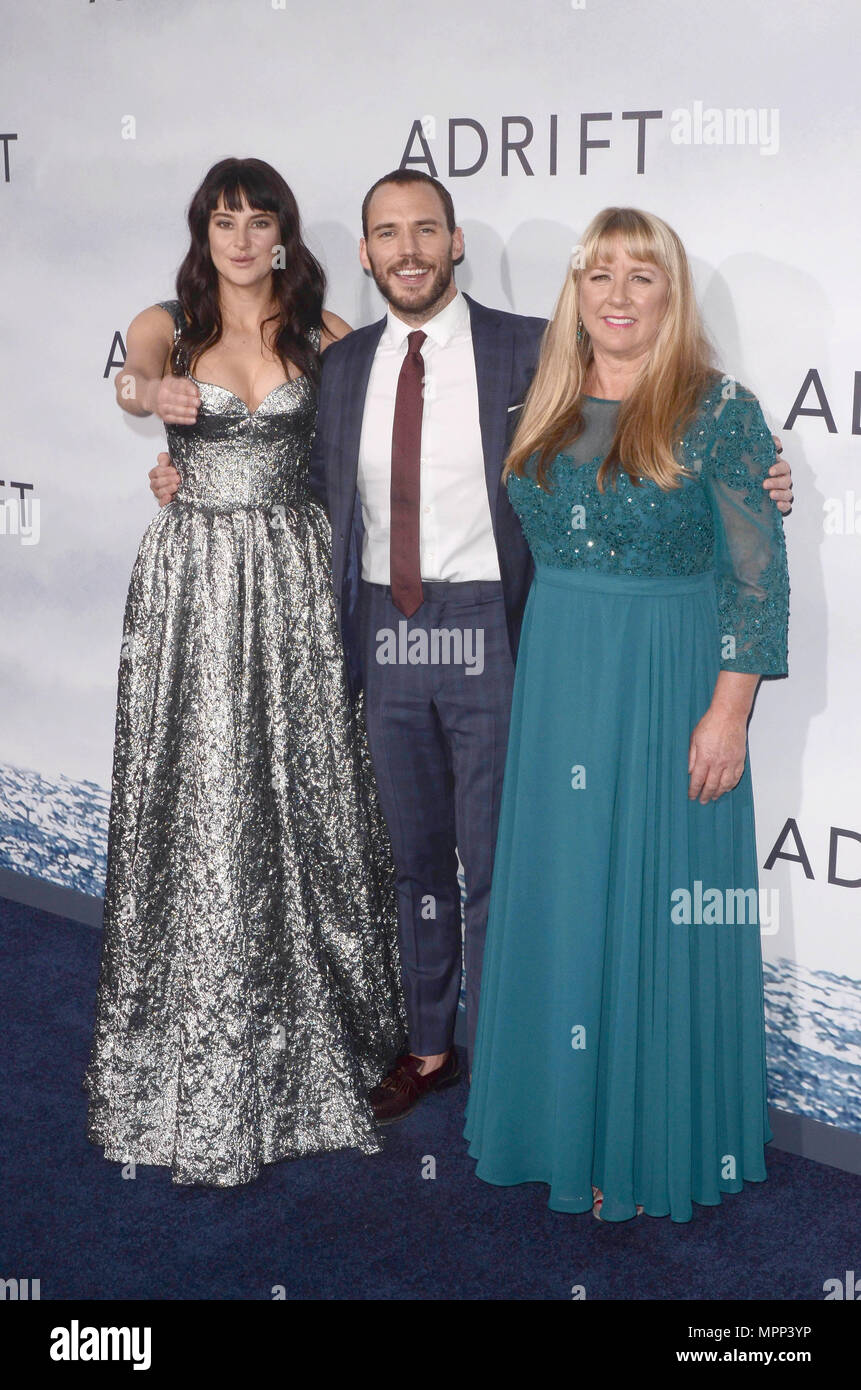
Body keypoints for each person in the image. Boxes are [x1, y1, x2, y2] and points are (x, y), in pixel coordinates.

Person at [148, 171, 794, 1127]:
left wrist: (758, 479)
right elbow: (256, 427)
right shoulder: (338, 361)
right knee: (411, 859)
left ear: (454, 243)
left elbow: (643, 424)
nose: (407, 250)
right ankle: (429, 1044)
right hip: (380, 626)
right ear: (362, 256)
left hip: (497, 629)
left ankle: (511, 1057)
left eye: (425, 230)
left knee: (507, 861)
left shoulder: (535, 350)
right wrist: (180, 473)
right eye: (385, 234)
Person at [464, 207, 790, 1224]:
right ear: (576, 289)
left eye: (640, 276)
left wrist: (729, 712)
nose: (615, 293)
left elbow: (755, 582)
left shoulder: (720, 408)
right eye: (598, 273)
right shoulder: (545, 397)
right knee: (568, 899)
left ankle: (638, 1140)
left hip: (666, 682)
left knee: (651, 899)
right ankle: (551, 1125)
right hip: (561, 678)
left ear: (671, 295)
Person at [84, 157, 405, 1187]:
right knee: (208, 800)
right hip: (195, 584)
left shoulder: (323, 332)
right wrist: (151, 396)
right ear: (203, 230)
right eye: (221, 219)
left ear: (281, 234)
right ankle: (198, 1045)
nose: (238, 236)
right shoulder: (164, 324)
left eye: (256, 219)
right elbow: (132, 379)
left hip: (298, 581)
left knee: (309, 798)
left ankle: (327, 1029)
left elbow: (408, 402)